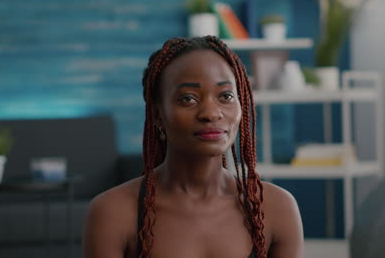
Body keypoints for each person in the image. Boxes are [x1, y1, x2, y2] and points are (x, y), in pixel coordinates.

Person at [82, 36, 304, 258]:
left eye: (225, 96)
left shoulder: (277, 208)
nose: (210, 113)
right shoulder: (113, 213)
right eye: (188, 99)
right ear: (158, 115)